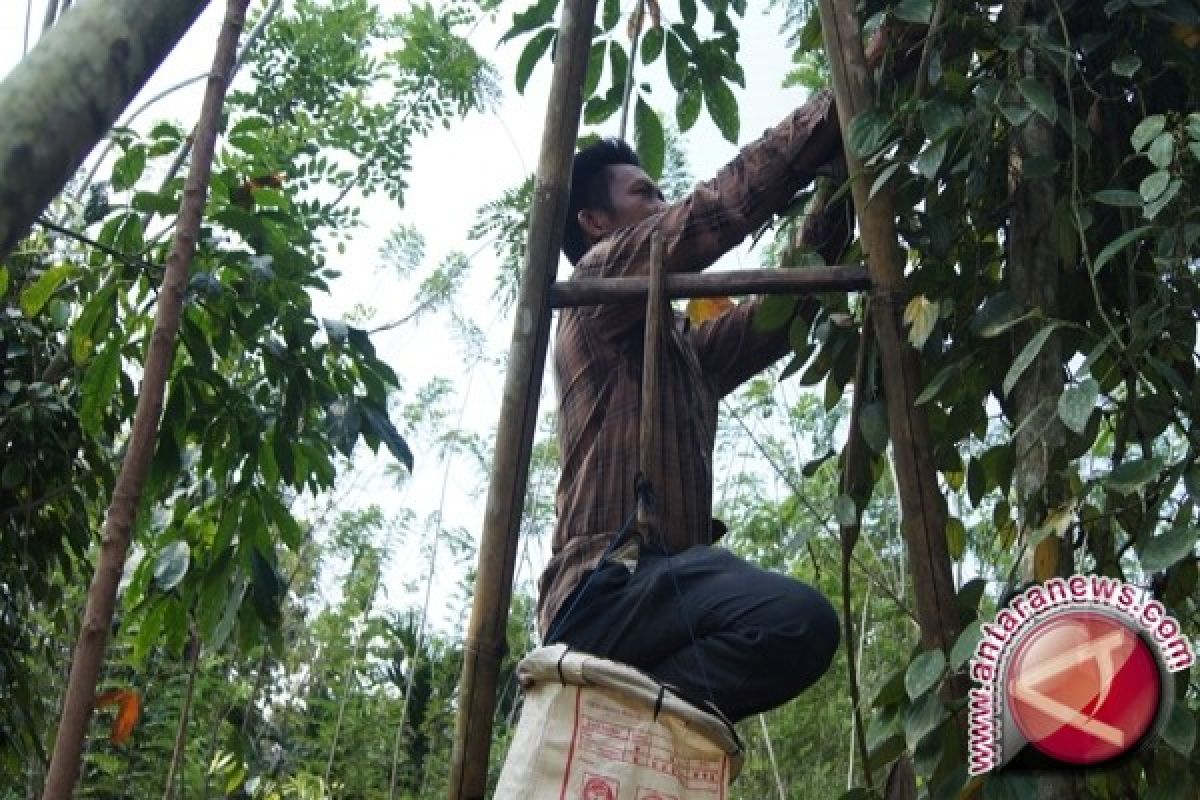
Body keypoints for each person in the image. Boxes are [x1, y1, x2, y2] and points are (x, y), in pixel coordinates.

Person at [536, 86, 851, 724]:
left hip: (658, 595)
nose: (662, 203)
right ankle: (629, 704)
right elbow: (709, 214)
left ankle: (621, 708)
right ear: (595, 223)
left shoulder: (684, 353)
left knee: (799, 629)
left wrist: (840, 181)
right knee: (797, 620)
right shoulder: (594, 284)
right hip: (606, 587)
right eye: (644, 194)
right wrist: (831, 112)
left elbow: (785, 306)